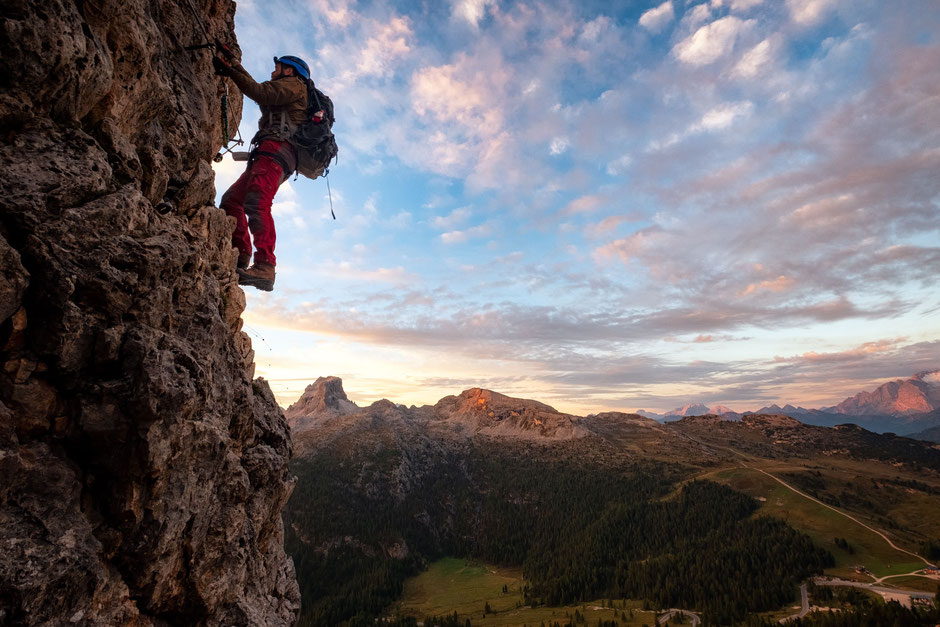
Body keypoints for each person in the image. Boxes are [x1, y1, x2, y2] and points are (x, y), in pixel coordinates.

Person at [212, 54, 310, 292]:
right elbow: (261, 90)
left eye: (277, 67)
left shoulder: (295, 85)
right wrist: (234, 66)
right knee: (232, 200)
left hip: (276, 151)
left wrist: (232, 71)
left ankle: (265, 266)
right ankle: (242, 254)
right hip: (270, 153)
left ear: (290, 71)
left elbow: (259, 92)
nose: (273, 71)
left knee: (257, 202)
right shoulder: (288, 86)